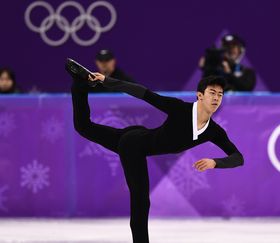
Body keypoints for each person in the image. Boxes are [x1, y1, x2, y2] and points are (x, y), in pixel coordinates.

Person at [65, 58, 244, 243]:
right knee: (141, 200)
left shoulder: (213, 131)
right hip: (133, 146)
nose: (216, 98)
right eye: (212, 93)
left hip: (136, 136)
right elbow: (144, 93)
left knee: (83, 126)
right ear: (200, 95)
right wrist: (106, 80)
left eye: (220, 95)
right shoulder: (179, 109)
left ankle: (79, 84)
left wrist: (215, 162)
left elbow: (238, 157)